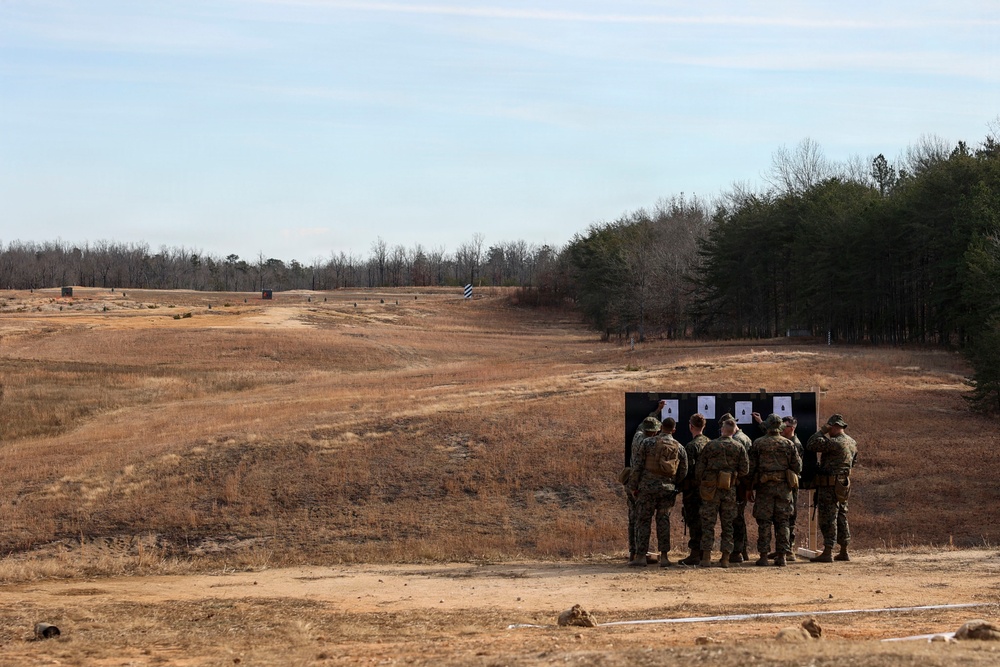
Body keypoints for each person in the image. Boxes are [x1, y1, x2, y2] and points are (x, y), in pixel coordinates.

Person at [627, 418, 688, 567]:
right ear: (674, 430)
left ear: (660, 428)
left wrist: (633, 486)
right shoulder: (679, 447)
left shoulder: (647, 443)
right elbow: (683, 471)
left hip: (646, 489)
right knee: (663, 522)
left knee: (643, 521)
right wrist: (675, 485)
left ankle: (641, 556)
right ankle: (665, 557)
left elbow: (637, 466)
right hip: (667, 491)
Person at [748, 414, 802, 567]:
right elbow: (798, 467)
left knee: (764, 522)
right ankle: (782, 556)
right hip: (784, 489)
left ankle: (764, 556)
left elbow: (751, 468)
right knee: (783, 522)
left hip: (764, 488)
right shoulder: (789, 444)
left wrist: (749, 487)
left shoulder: (758, 443)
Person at [696, 417, 749, 568]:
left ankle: (706, 557)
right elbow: (745, 470)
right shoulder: (739, 447)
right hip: (728, 490)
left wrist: (704, 481)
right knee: (728, 525)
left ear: (722, 430)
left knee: (708, 523)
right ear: (733, 431)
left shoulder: (711, 445)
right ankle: (725, 558)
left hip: (710, 490)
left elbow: (699, 469)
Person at [805, 414, 858, 563]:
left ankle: (828, 551)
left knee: (828, 518)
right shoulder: (852, 442)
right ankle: (844, 550)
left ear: (834, 427)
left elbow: (811, 444)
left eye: (830, 428)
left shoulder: (835, 443)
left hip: (830, 485)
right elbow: (853, 462)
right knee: (841, 515)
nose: (829, 431)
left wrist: (822, 430)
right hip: (843, 484)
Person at [624, 415, 662, 563]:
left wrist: (656, 411)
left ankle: (634, 552)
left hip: (631, 482)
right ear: (654, 432)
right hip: (642, 484)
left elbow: (641, 425)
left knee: (633, 519)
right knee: (642, 520)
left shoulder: (637, 436)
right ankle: (641, 552)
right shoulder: (648, 443)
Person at [718, 412, 753, 563]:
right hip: (742, 484)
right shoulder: (745, 438)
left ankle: (737, 552)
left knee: (735, 519)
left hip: (737, 485)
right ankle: (742, 550)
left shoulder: (737, 440)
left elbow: (743, 468)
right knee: (738, 518)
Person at [678, 413, 710, 566]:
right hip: (708, 489)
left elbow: (687, 470)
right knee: (705, 521)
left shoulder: (691, 446)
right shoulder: (710, 443)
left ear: (691, 426)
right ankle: (705, 553)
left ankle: (695, 553)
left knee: (694, 520)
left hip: (693, 490)